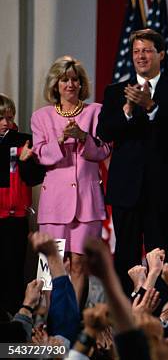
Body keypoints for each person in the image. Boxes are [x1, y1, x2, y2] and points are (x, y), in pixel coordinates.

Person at [97, 29, 168, 296]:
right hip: (126, 189)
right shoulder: (116, 92)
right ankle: (124, 318)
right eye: (136, 51)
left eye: (147, 50)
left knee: (159, 257)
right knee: (125, 256)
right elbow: (105, 132)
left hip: (161, 189)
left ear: (160, 54)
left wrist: (150, 106)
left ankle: (158, 320)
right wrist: (127, 109)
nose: (141, 56)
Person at [31, 56, 110, 306]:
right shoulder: (41, 117)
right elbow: (40, 155)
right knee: (50, 266)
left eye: (75, 80)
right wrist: (61, 139)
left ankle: (70, 325)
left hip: (87, 203)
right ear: (55, 84)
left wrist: (84, 138)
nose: (70, 84)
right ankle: (48, 321)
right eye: (65, 79)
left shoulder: (95, 111)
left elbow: (104, 150)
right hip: (54, 204)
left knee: (79, 264)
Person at [0, 94, 45, 315]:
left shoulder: (23, 141)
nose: (5, 123)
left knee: (14, 272)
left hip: (15, 218)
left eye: (9, 117)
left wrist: (27, 160)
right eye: (0, 118)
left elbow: (34, 178)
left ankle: (16, 324)